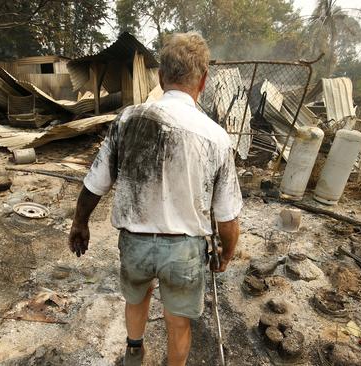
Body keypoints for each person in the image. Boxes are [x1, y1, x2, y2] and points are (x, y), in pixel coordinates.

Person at [68, 32, 242, 366]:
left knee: (136, 299)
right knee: (178, 322)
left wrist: (80, 222)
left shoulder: (128, 119)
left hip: (134, 243)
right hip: (184, 251)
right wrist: (227, 252)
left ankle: (134, 351)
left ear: (160, 77)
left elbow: (96, 183)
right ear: (203, 81)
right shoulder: (216, 137)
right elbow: (227, 216)